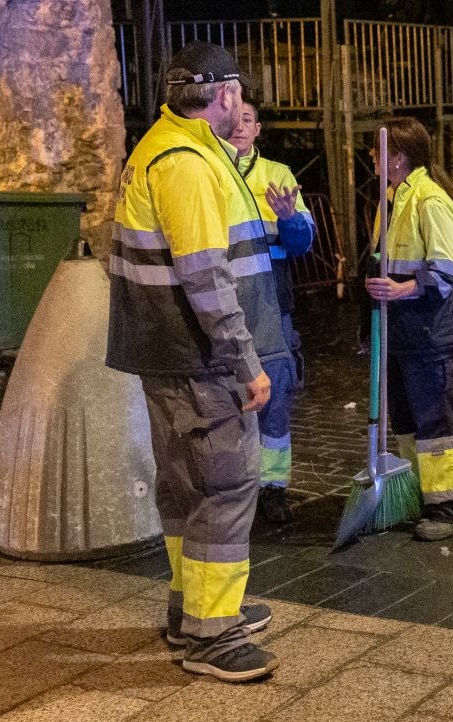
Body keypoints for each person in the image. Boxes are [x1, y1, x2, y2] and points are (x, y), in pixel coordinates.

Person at [105, 42, 287, 683]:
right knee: (226, 487)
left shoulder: (160, 147)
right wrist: (245, 362)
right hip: (201, 358)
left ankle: (194, 611)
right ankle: (213, 636)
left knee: (187, 486)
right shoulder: (187, 163)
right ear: (227, 94)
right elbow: (207, 278)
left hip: (167, 352)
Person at [363, 116, 453, 541]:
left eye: (377, 150)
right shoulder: (392, 199)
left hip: (431, 329)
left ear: (398, 158)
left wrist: (401, 289)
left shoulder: (429, 200)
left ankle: (451, 506)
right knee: (408, 422)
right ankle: (418, 496)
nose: (371, 157)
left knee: (436, 424)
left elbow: (444, 271)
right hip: (402, 330)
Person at [226, 96, 316, 528]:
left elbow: (302, 244)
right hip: (225, 301)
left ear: (258, 129)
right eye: (234, 118)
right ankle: (235, 482)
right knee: (226, 396)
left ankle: (274, 487)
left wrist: (290, 219)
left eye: (248, 120)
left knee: (275, 396)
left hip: (272, 303)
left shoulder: (277, 175)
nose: (240, 126)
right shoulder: (210, 170)